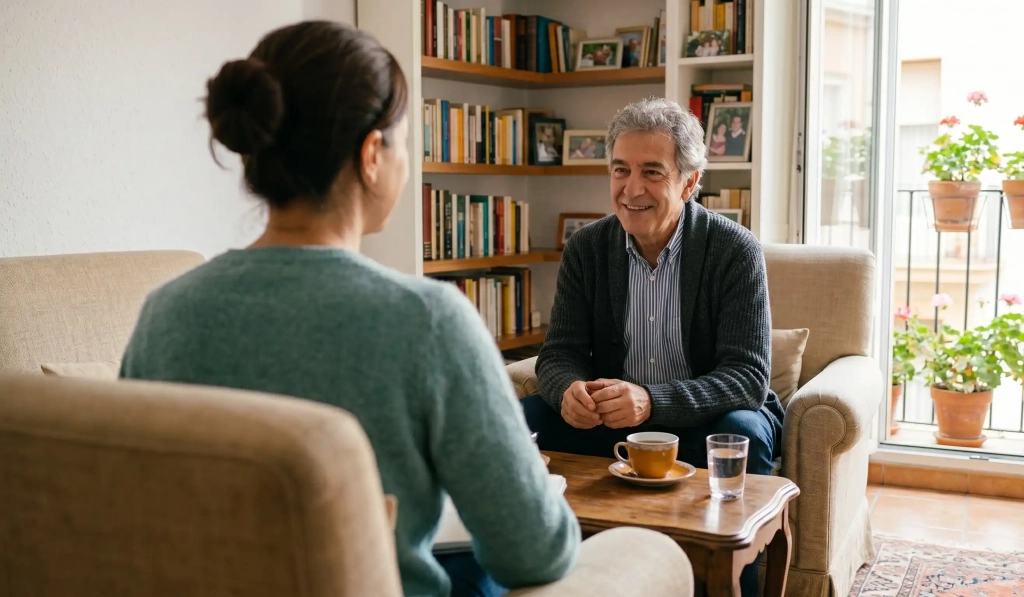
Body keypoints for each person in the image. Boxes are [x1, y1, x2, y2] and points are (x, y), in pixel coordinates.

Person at [118, 20, 579, 597]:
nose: (407, 162)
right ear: (371, 155)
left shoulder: (164, 314)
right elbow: (534, 552)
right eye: (404, 143)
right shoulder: (428, 320)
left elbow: (129, 515)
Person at [520, 97, 783, 597]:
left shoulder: (735, 250)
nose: (632, 189)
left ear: (689, 182)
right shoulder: (586, 248)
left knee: (741, 432)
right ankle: (543, 571)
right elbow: (559, 354)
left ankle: (730, 582)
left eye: (652, 172)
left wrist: (651, 401)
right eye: (621, 169)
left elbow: (748, 377)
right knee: (521, 419)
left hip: (703, 421)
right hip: (613, 422)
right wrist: (567, 390)